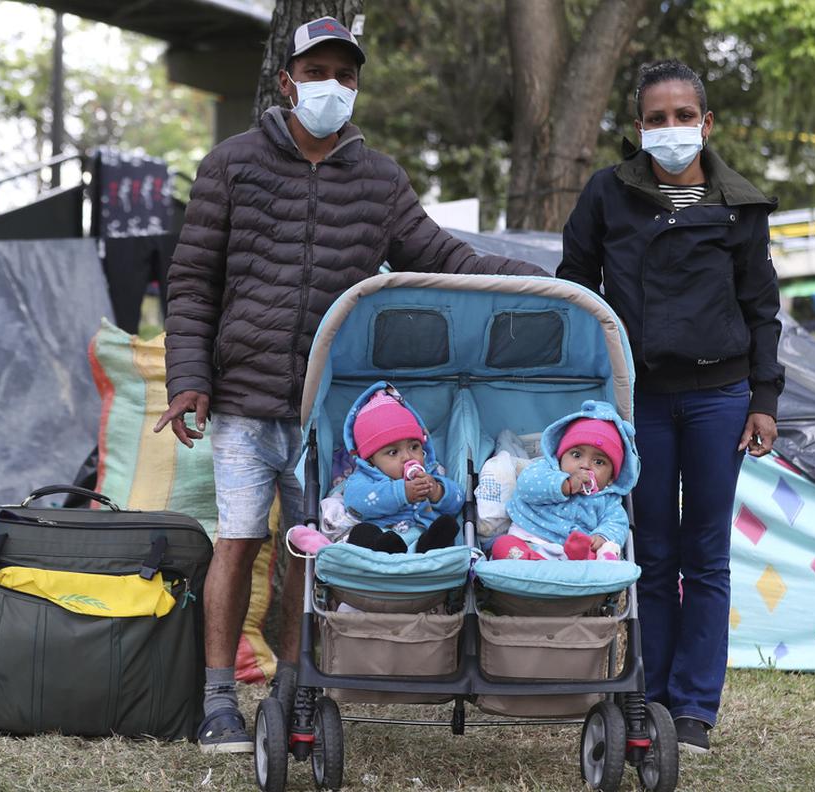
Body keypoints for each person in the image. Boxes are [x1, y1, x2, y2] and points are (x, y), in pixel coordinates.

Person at [152, 17, 545, 753]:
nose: (332, 86)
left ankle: (298, 690)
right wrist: (189, 380)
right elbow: (192, 282)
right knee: (236, 544)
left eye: (346, 74)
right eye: (318, 72)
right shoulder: (230, 165)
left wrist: (540, 282)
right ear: (286, 81)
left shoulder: (380, 178)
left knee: (310, 549)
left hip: (329, 411)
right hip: (241, 400)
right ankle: (216, 703)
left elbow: (435, 254)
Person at [556, 59, 783, 755]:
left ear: (707, 123)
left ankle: (693, 711)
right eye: (657, 118)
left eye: (685, 116)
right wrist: (591, 392)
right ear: (638, 127)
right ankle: (645, 696)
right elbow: (576, 289)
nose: (672, 129)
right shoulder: (605, 194)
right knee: (648, 551)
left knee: (705, 556)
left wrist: (764, 400)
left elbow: (762, 309)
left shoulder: (739, 206)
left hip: (720, 399)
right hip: (637, 402)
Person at [492, 401, 638, 562]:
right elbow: (526, 487)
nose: (585, 465)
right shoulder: (546, 470)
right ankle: (530, 559)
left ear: (611, 478)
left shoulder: (608, 499)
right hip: (529, 538)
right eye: (576, 455)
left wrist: (602, 536)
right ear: (561, 457)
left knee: (593, 554)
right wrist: (564, 485)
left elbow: (618, 523)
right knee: (502, 545)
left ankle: (589, 558)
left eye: (599, 462)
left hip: (572, 552)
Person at [335, 384, 463, 553]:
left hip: (422, 542)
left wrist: (437, 491)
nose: (408, 457)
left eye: (414, 447)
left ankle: (428, 547)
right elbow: (355, 504)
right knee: (362, 532)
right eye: (393, 452)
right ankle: (389, 550)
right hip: (382, 539)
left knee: (447, 525)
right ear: (371, 459)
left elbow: (459, 498)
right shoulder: (364, 478)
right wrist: (401, 492)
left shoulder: (430, 473)